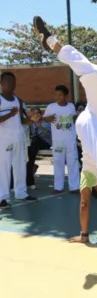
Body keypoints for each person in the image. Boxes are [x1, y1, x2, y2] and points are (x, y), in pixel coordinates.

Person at [33, 16, 97, 243]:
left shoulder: (88, 177)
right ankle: (51, 42)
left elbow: (83, 203)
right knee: (92, 73)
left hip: (87, 125)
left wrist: (84, 236)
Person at [0, 71, 37, 209]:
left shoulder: (18, 100)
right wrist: (10, 114)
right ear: (2, 83)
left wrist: (31, 119)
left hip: (19, 137)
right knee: (3, 168)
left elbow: (22, 120)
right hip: (4, 138)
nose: (12, 85)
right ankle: (2, 197)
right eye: (9, 82)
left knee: (20, 166)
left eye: (14, 82)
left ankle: (21, 193)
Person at [43, 85, 80, 193]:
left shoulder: (71, 107)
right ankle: (58, 187)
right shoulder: (51, 107)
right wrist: (48, 119)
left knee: (72, 163)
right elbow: (44, 119)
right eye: (56, 94)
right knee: (58, 163)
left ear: (65, 96)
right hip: (58, 140)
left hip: (70, 139)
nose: (57, 97)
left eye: (60, 94)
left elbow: (74, 118)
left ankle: (75, 187)